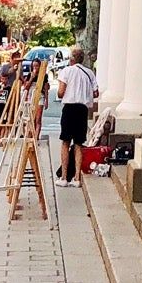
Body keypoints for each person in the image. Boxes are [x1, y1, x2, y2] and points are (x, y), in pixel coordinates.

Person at [55, 46, 97, 188]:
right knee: (79, 143)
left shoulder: (66, 71)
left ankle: (64, 177)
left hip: (69, 108)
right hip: (82, 109)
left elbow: (61, 92)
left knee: (65, 142)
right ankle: (77, 177)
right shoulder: (89, 73)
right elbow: (96, 93)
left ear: (71, 59)